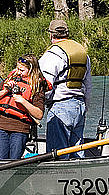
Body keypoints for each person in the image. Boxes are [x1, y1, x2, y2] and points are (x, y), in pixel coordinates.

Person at [39, 19, 92, 158]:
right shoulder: (82, 52)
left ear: (51, 35)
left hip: (60, 106)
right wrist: (85, 105)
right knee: (77, 150)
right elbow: (88, 83)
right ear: (67, 33)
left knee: (57, 153)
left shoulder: (53, 54)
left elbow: (45, 85)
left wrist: (40, 105)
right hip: (79, 106)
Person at [0, 54, 48, 159]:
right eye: (17, 68)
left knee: (14, 161)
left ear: (30, 70)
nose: (18, 72)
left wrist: (23, 101)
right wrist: (5, 91)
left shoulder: (37, 86)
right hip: (2, 126)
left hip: (20, 129)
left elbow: (39, 114)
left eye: (21, 70)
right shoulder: (11, 79)